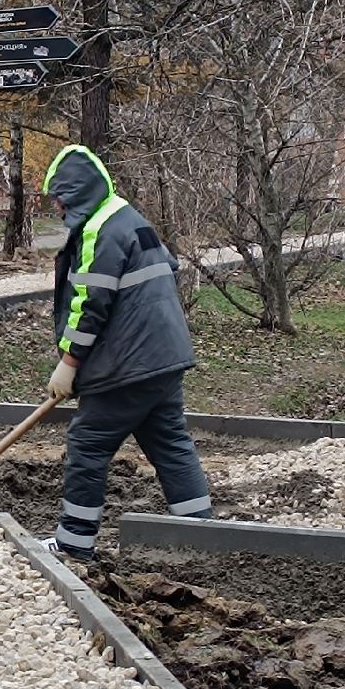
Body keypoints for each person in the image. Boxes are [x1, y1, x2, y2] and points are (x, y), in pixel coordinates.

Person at [38, 144, 212, 561]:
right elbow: (163, 273)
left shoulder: (100, 230)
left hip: (129, 365)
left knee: (88, 443)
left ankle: (74, 542)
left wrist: (69, 362)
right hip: (163, 358)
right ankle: (204, 535)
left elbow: (90, 304)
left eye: (59, 196)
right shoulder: (130, 218)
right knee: (169, 442)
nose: (56, 206)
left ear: (79, 191)